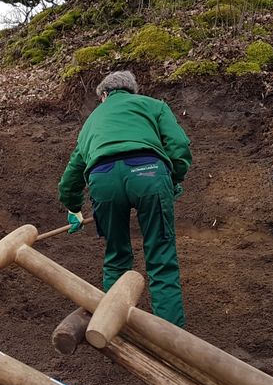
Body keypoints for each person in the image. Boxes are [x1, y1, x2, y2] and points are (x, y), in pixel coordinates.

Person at [57, 70, 192, 327]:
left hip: (103, 179)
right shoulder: (153, 106)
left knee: (116, 257)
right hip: (148, 173)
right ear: (132, 91)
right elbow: (179, 146)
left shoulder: (91, 122)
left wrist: (73, 206)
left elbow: (73, 172)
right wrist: (172, 180)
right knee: (161, 257)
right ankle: (171, 339)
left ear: (104, 95)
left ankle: (114, 330)